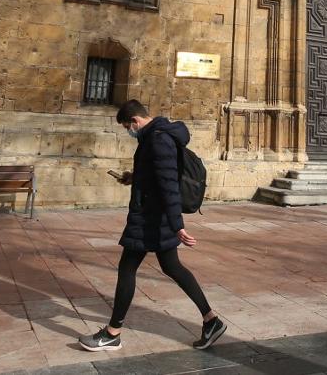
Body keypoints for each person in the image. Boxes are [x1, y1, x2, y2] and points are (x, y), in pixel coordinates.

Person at [78, 98, 226, 352]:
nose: (128, 132)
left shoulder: (158, 140)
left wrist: (178, 226)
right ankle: (211, 320)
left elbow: (169, 183)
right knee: (173, 267)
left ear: (135, 121)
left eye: (127, 127)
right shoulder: (156, 136)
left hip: (151, 218)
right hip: (155, 215)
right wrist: (132, 178)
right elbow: (156, 173)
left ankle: (113, 333)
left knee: (127, 269)